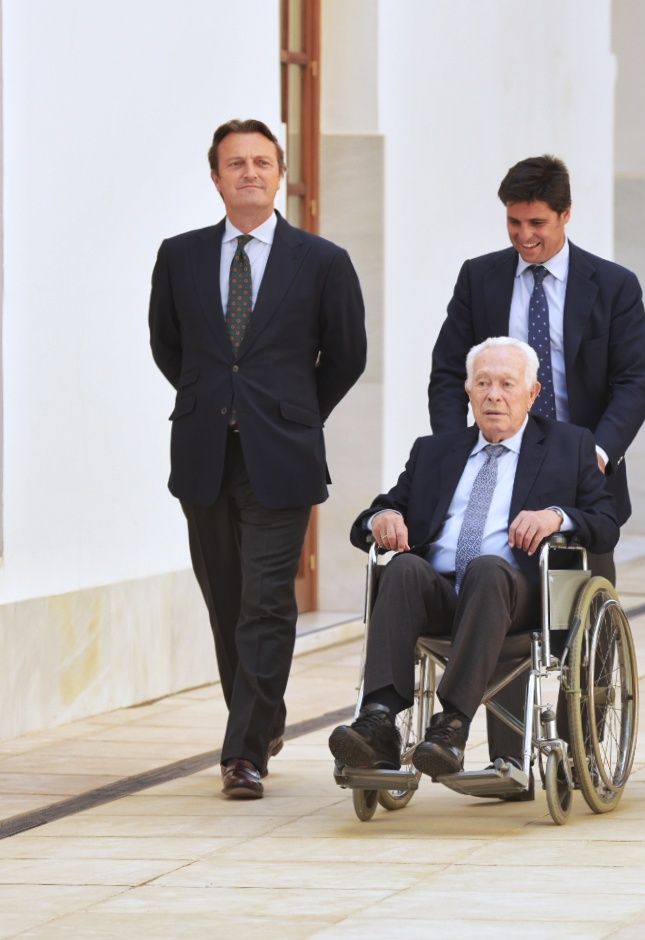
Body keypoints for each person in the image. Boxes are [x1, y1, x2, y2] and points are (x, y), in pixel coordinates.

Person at [149, 119, 367, 799]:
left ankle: (242, 753)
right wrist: (214, 402)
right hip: (204, 454)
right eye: (236, 163)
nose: (249, 172)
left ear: (280, 175)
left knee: (267, 603)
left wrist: (292, 413)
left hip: (282, 456)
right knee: (226, 602)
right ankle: (261, 716)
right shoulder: (180, 256)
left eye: (262, 162)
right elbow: (168, 346)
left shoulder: (322, 261)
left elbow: (347, 355)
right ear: (216, 178)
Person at [329, 338, 618, 777]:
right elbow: (371, 517)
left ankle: (452, 725)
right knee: (403, 567)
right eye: (482, 383)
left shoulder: (569, 446)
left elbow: (606, 523)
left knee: (487, 569)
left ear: (532, 393)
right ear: (468, 391)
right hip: (443, 594)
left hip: (515, 596)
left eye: (506, 384)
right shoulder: (434, 451)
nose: (493, 395)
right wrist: (383, 518)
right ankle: (378, 720)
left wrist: (556, 517)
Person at [427, 155, 645, 585]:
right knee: (487, 582)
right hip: (497, 462)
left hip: (580, 466)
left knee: (583, 597)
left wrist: (597, 455)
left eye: (537, 223)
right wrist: (453, 450)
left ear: (565, 214)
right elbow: (448, 373)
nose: (524, 235)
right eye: (513, 222)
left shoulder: (614, 286)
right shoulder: (479, 278)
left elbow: (635, 382)